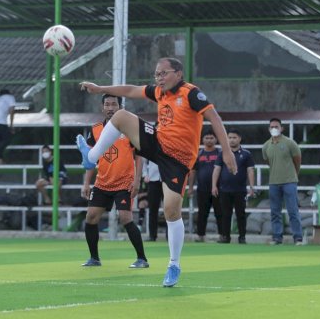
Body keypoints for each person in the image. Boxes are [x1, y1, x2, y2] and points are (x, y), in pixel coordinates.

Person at [75, 57, 237, 287]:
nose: (159, 78)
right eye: (156, 74)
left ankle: (174, 264)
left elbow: (214, 118)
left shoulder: (191, 93)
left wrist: (227, 152)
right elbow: (130, 90)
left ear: (178, 74)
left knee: (171, 211)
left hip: (178, 160)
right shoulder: (158, 92)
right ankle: (91, 158)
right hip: (158, 142)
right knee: (120, 116)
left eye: (163, 73)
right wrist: (100, 88)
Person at [80, 94, 148, 268]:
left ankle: (142, 259)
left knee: (125, 218)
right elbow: (90, 159)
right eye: (107, 104)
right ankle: (94, 258)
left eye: (114, 104)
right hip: (102, 182)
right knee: (91, 217)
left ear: (120, 107)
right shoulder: (95, 130)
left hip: (124, 182)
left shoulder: (128, 129)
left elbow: (139, 156)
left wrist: (137, 180)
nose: (110, 108)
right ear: (102, 108)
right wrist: (86, 183)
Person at [263, 117, 303, 245]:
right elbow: (269, 162)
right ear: (269, 129)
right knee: (275, 212)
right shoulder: (266, 146)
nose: (274, 129)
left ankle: (298, 238)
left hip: (289, 182)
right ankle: (277, 238)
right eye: (272, 127)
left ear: (282, 128)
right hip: (273, 182)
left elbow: (297, 159)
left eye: (276, 126)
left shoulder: (290, 143)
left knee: (293, 211)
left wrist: (294, 174)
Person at [212, 128, 255, 244]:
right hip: (224, 189)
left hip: (240, 190)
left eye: (234, 137)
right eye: (229, 137)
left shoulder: (246, 154)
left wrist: (252, 187)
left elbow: (250, 170)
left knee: (241, 214)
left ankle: (242, 237)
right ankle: (225, 237)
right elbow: (217, 169)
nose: (231, 140)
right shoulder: (222, 154)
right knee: (225, 214)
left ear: (239, 139)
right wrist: (213, 186)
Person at [188, 129, 222, 242]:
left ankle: (223, 235)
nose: (209, 140)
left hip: (218, 189)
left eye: (211, 138)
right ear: (202, 140)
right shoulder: (198, 154)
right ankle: (200, 235)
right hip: (202, 189)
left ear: (216, 139)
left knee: (220, 212)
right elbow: (192, 171)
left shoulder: (220, 153)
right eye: (207, 138)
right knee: (202, 213)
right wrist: (191, 187)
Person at [0, 89, 15, 164]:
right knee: (8, 139)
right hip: (1, 122)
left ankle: (0, 159)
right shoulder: (10, 97)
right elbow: (12, 111)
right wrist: (11, 125)